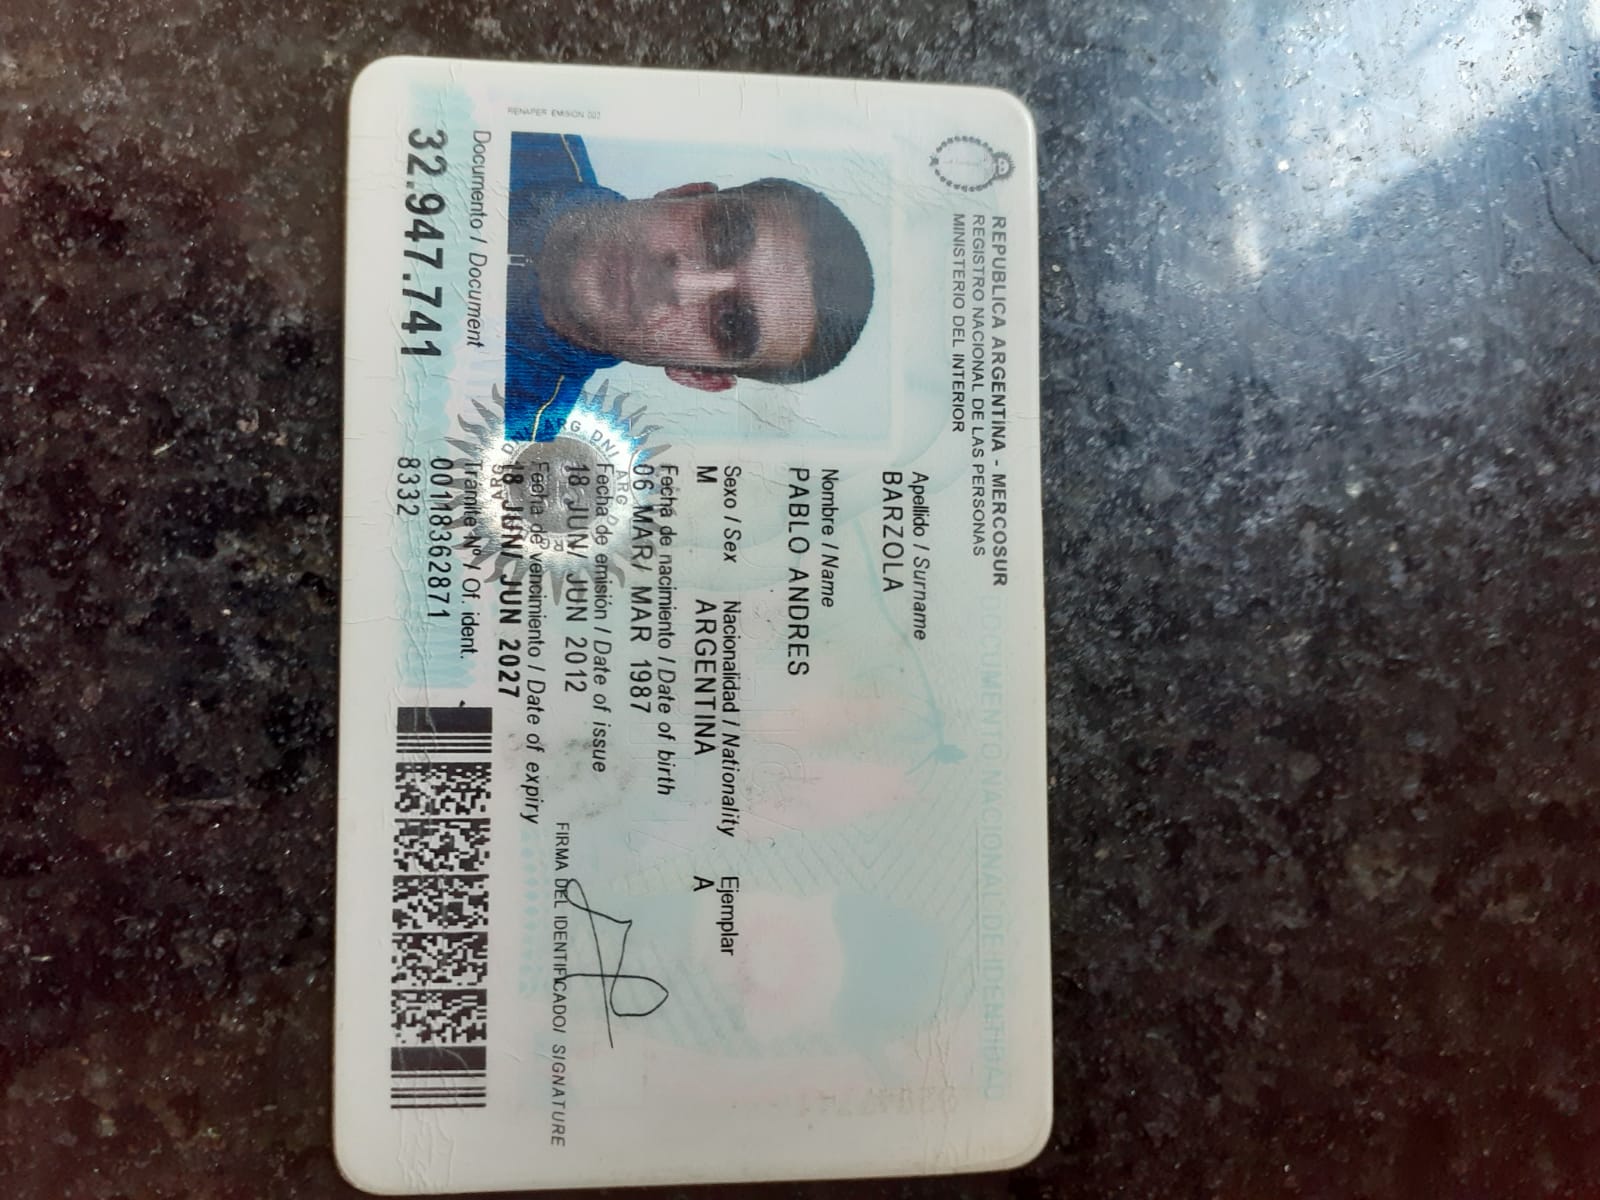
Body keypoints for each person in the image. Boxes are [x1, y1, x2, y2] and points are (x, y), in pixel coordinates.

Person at [504, 132, 876, 442]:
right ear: (685, 192)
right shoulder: (530, 123)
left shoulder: (508, 434)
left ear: (698, 376)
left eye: (730, 324)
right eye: (720, 236)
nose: (680, 280)